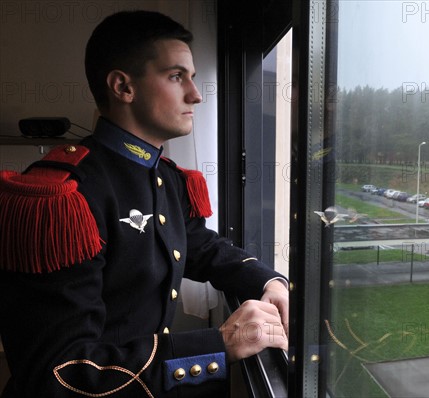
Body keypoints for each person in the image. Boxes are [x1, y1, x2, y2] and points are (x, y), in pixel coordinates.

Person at [0, 10, 288, 398]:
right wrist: (218, 344)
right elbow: (58, 376)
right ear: (123, 87)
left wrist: (268, 280)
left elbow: (200, 245)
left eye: (192, 76)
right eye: (175, 76)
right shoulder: (59, 199)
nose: (196, 94)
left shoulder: (166, 176)